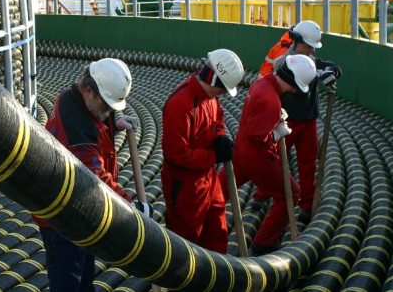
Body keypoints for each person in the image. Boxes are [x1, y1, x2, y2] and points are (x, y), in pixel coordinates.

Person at [34, 58, 152, 292]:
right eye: (107, 106)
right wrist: (131, 209)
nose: (107, 112)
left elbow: (95, 116)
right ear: (89, 89)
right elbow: (95, 178)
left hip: (81, 210)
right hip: (62, 216)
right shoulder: (76, 129)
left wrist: (114, 122)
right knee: (69, 282)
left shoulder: (77, 99)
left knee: (85, 274)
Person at [223, 54, 317, 256]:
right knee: (291, 193)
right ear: (293, 82)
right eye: (296, 86)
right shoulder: (271, 101)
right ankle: (264, 243)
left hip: (241, 150)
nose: (294, 90)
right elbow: (259, 137)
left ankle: (195, 215)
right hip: (256, 157)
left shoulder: (262, 83)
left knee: (218, 191)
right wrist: (277, 132)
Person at [161, 48, 245, 254]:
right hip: (185, 186)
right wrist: (214, 156)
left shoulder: (211, 98)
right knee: (187, 244)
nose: (224, 93)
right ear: (214, 81)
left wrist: (219, 137)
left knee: (217, 233)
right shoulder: (181, 104)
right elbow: (176, 153)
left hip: (208, 179)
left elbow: (217, 120)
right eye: (224, 89)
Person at [272, 20, 342, 225]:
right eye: (309, 45)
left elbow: (334, 67)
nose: (311, 49)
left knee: (308, 163)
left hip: (308, 121)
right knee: (275, 160)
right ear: (296, 41)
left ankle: (306, 206)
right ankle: (264, 197)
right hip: (287, 121)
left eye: (313, 47)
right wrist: (318, 73)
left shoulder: (313, 60)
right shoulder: (282, 63)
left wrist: (331, 72)